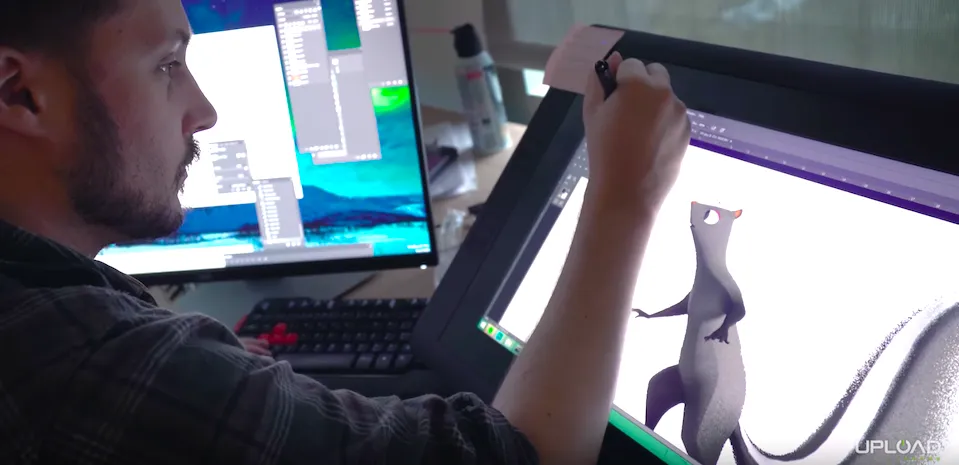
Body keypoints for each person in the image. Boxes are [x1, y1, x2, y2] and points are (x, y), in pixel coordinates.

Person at [0, 0, 690, 463]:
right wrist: (622, 196)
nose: (203, 111)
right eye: (166, 65)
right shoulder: (77, 359)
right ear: (19, 93)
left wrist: (213, 375)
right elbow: (521, 453)